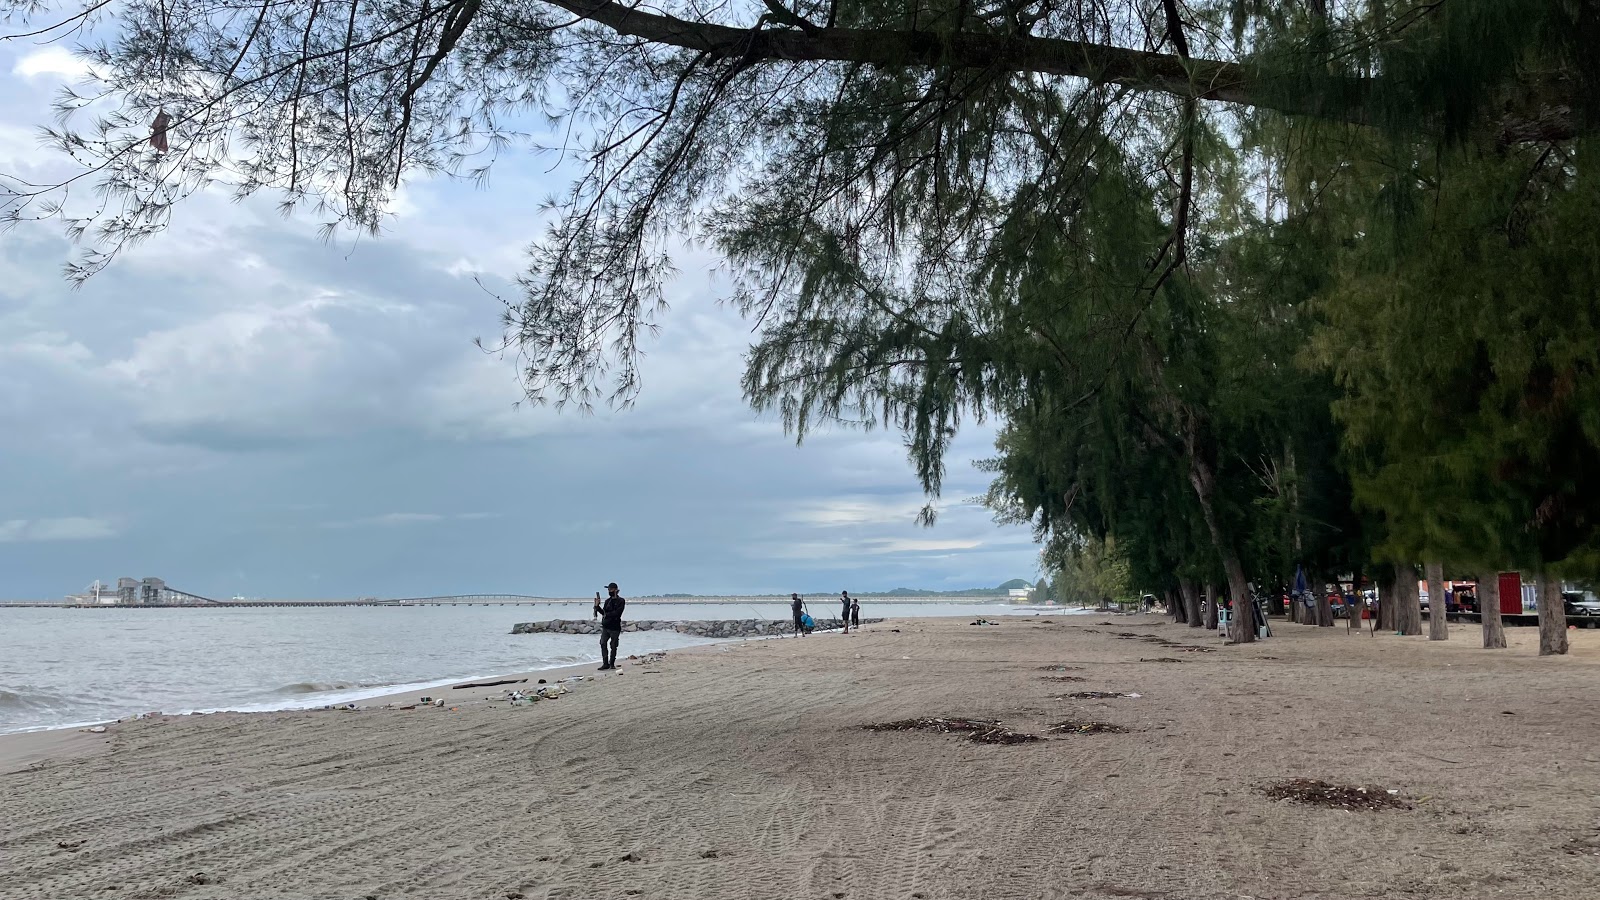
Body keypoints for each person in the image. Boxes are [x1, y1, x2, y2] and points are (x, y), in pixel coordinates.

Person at [595, 582, 626, 670]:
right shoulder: (607, 601)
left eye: (611, 589)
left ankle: (611, 663)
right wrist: (597, 607)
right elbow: (603, 613)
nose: (609, 591)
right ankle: (605, 663)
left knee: (613, 645)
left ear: (616, 590)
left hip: (615, 627)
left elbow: (617, 613)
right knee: (602, 643)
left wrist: (607, 614)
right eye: (608, 590)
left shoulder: (621, 601)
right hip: (606, 627)